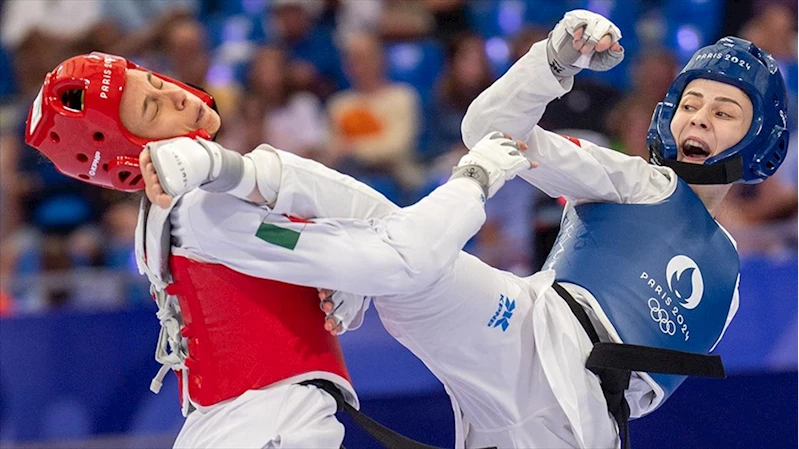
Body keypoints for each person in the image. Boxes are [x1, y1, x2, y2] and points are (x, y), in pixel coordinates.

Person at [144, 9, 789, 449]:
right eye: (691, 103)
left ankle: (350, 267)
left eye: (724, 112)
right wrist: (552, 61)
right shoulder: (635, 181)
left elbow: (649, 390)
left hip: (580, 428)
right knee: (403, 245)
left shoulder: (730, 274)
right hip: (530, 334)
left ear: (757, 140)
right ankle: (227, 170)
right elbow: (490, 132)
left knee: (399, 250)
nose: (698, 118)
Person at [24, 52, 530, 448]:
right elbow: (397, 260)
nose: (174, 96)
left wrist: (339, 277)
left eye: (156, 82)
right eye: (151, 109)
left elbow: (289, 249)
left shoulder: (163, 219)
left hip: (232, 428)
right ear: (126, 156)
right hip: (270, 427)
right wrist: (476, 178)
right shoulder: (204, 209)